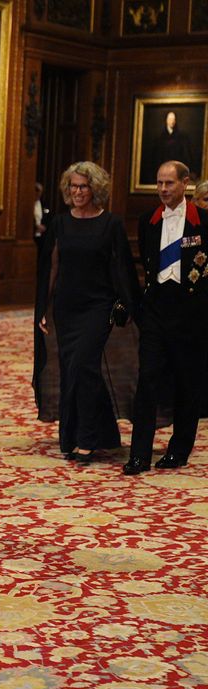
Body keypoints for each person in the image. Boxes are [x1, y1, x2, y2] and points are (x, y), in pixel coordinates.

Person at [34, 162, 140, 463]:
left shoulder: (111, 224)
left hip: (99, 306)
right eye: (73, 186)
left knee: (82, 365)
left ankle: (87, 438)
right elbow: (52, 265)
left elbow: (121, 267)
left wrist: (127, 303)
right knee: (75, 370)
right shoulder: (60, 223)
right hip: (67, 308)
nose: (77, 192)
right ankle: (95, 433)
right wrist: (44, 306)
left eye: (83, 186)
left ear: (96, 189)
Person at [124, 161, 208, 475]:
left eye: (169, 183)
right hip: (157, 310)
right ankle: (139, 454)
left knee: (187, 383)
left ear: (185, 183)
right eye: (159, 183)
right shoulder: (148, 221)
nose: (162, 189)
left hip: (191, 313)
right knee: (147, 380)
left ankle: (179, 449)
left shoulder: (204, 222)